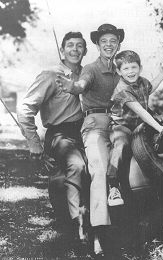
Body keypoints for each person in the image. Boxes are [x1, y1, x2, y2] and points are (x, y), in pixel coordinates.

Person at [56, 24, 163, 257]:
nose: (109, 44)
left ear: (118, 43)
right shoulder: (90, 69)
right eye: (104, 41)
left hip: (121, 125)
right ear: (97, 45)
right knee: (98, 169)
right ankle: (99, 233)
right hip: (96, 124)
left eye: (113, 40)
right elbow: (81, 85)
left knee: (130, 165)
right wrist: (72, 87)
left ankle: (134, 227)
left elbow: (144, 91)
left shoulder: (124, 68)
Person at [17, 31, 88, 242]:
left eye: (79, 46)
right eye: (70, 45)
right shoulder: (50, 74)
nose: (75, 50)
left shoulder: (87, 75)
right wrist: (34, 144)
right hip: (60, 133)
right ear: (62, 50)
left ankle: (98, 224)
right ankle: (77, 227)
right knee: (76, 167)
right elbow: (25, 108)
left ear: (85, 50)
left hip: (86, 132)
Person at [107, 50, 163, 207]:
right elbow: (141, 112)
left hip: (140, 125)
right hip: (122, 125)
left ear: (140, 68)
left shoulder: (142, 81)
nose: (130, 72)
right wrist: (158, 127)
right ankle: (113, 186)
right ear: (118, 71)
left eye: (134, 67)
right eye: (126, 69)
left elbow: (150, 88)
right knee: (121, 144)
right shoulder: (122, 89)